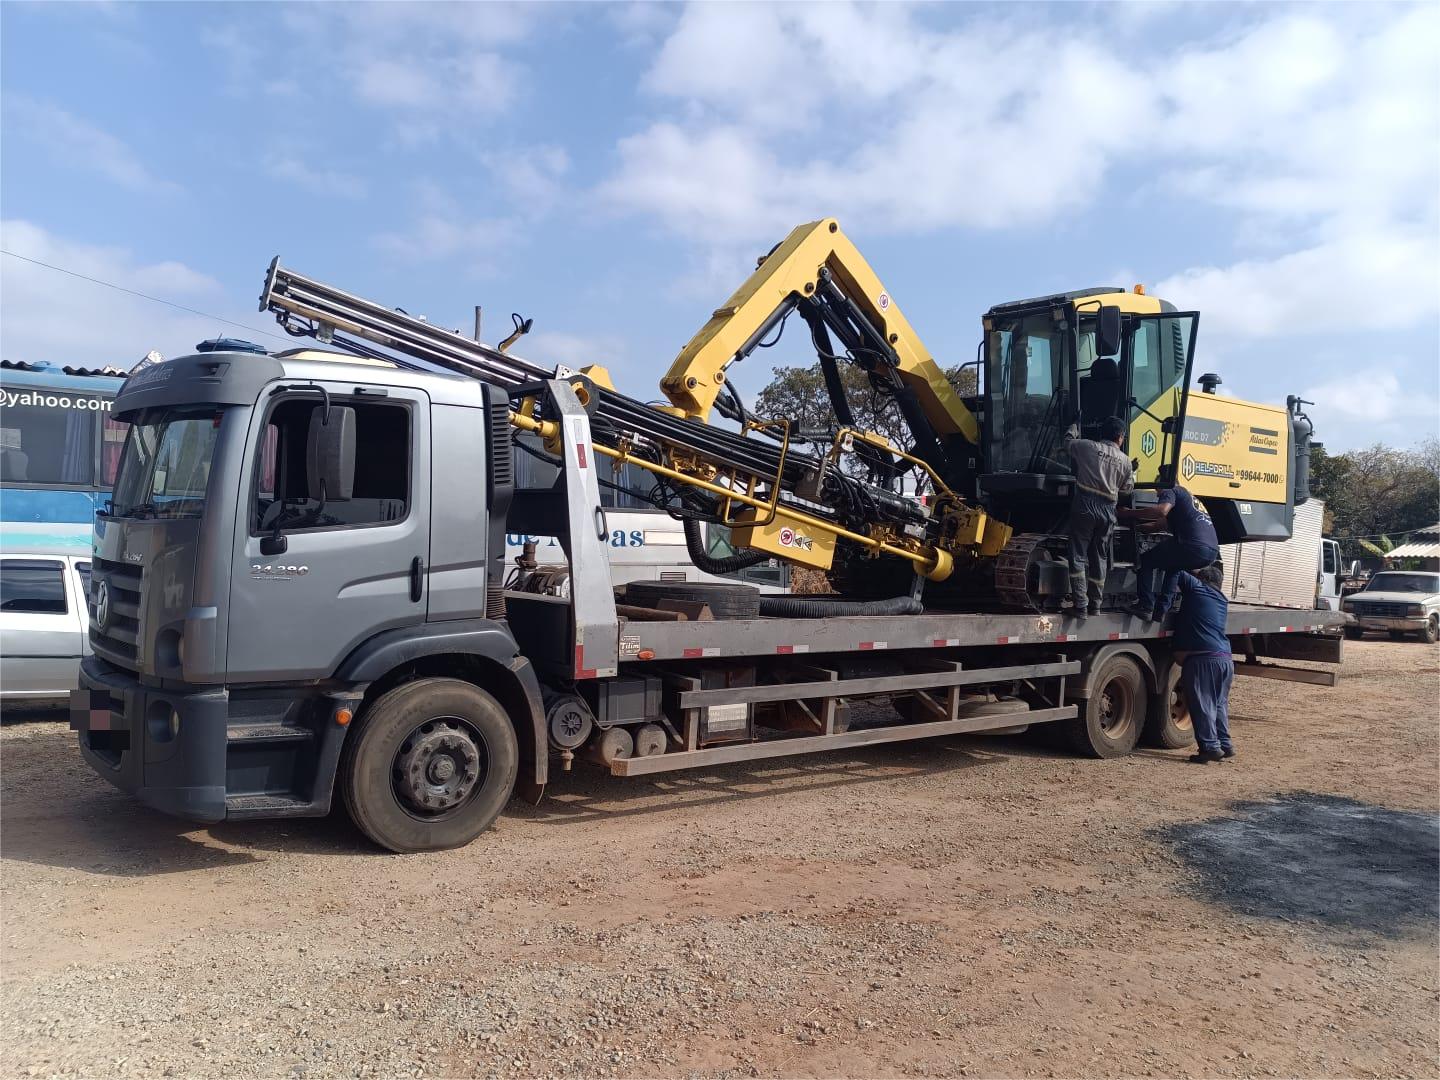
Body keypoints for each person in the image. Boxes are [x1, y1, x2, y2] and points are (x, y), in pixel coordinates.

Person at [1060, 416, 1134, 619]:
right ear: (1120, 437)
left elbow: (1067, 443)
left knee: (1077, 554)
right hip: (1108, 509)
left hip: (1085, 505)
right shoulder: (1126, 461)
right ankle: (1095, 605)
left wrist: (1073, 427)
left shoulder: (1087, 447)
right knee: (1099, 556)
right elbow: (1127, 490)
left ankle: (1080, 605)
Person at [1121, 478, 1220, 621]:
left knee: (1145, 561)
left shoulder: (1171, 489)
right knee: (1174, 568)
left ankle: (1145, 606)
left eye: (1157, 489)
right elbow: (1159, 526)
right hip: (1211, 552)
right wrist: (1137, 528)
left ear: (1163, 483)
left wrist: (1128, 513)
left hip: (1193, 546)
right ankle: (1161, 611)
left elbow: (1161, 511)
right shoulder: (1188, 499)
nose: (1157, 494)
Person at [1171, 564, 1235, 763]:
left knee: (1203, 703)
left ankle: (1210, 748)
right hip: (1225, 659)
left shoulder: (1198, 588)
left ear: (1203, 580)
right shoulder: (1222, 599)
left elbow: (1176, 568)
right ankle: (1225, 744)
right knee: (1218, 703)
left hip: (1203, 660)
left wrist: (1194, 568)